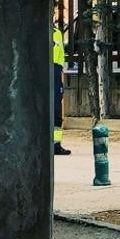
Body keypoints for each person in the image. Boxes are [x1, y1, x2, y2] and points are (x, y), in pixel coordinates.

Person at [53, 23, 71, 155]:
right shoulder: (37, 31)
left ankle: (56, 144)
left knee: (56, 111)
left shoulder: (57, 33)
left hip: (55, 72)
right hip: (40, 70)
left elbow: (61, 56)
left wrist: (61, 74)